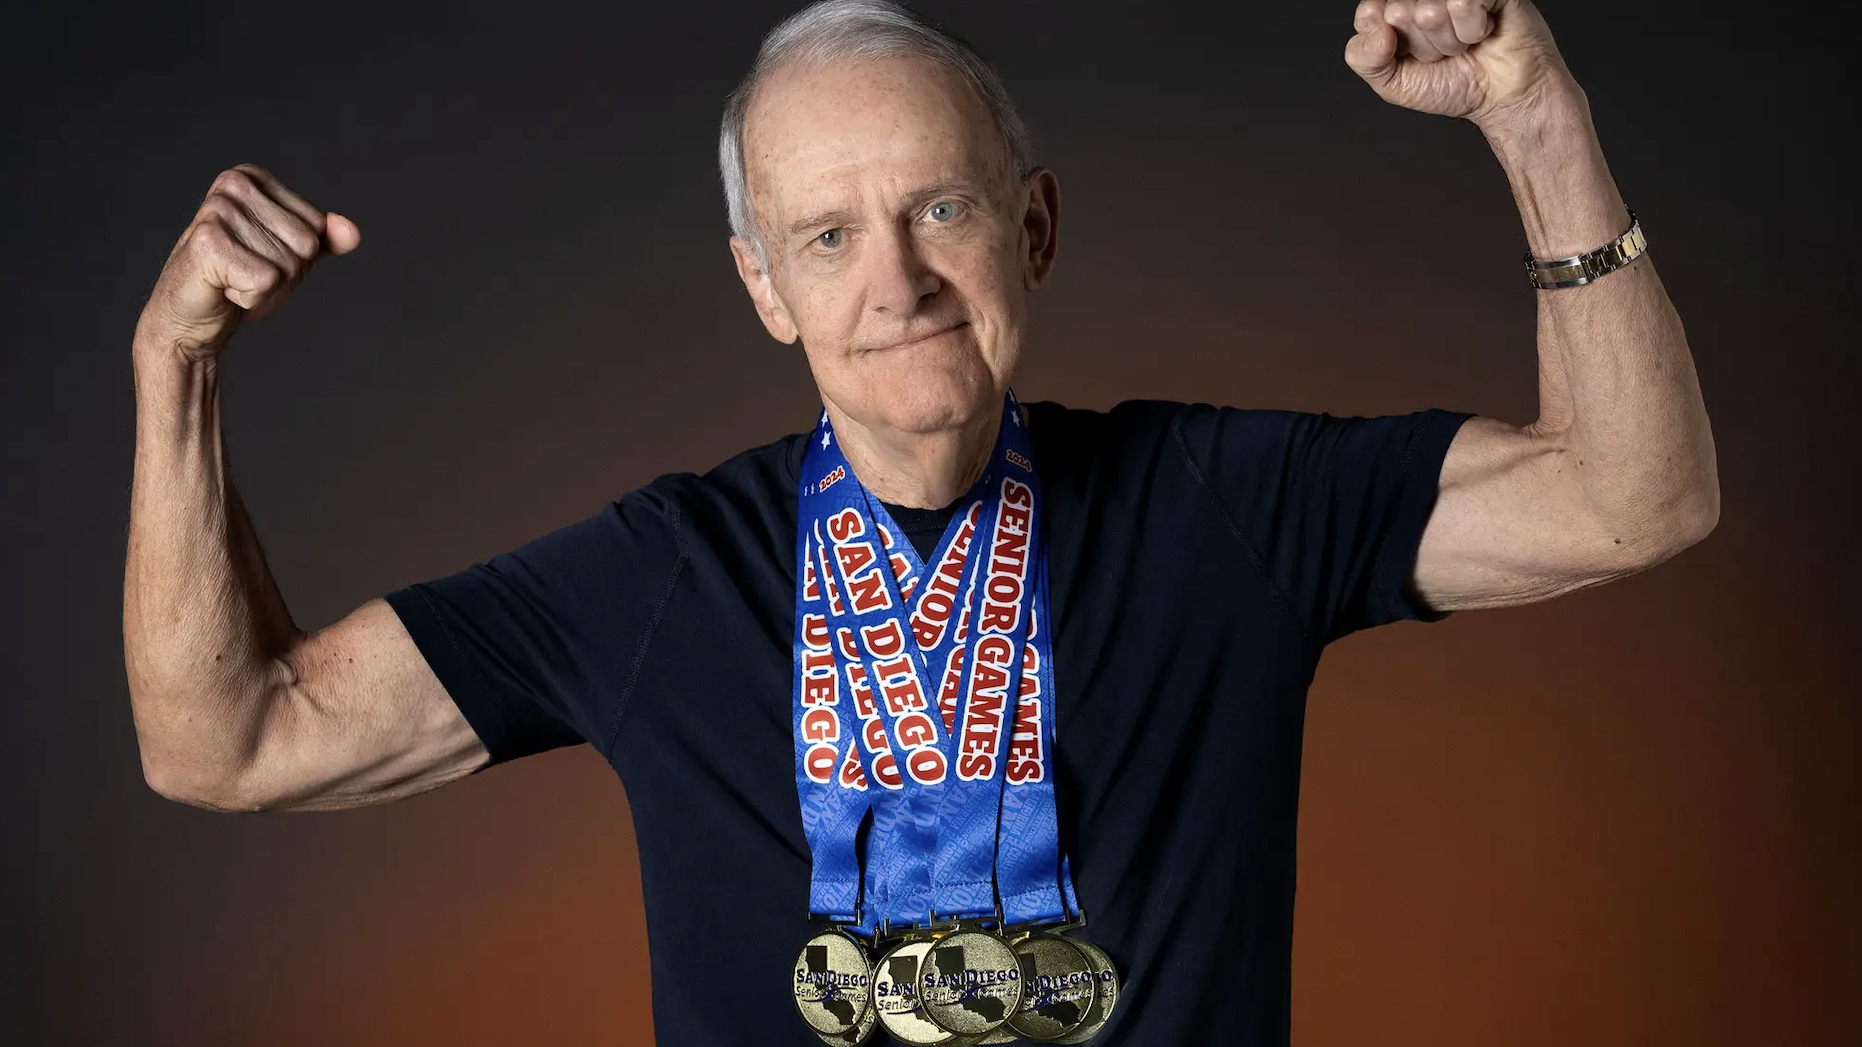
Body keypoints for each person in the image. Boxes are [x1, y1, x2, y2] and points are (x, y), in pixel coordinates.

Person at [121, 0, 1718, 1043]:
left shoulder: (1226, 508)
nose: (893, 283)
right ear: (765, 288)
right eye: (825, 236)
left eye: (939, 208)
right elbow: (229, 741)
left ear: (1032, 224)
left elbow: (1632, 493)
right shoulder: (665, 576)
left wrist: (1533, 116)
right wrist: (174, 371)